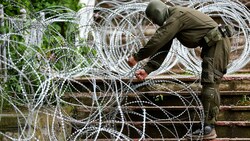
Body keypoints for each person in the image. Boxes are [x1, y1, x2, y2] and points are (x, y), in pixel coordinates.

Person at [127, 0, 232, 140]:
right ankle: (207, 126)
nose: (153, 22)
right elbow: (163, 46)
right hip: (213, 45)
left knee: (210, 83)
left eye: (152, 18)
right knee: (209, 82)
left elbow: (159, 39)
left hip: (217, 43)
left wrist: (137, 57)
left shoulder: (176, 15)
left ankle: (209, 128)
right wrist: (148, 69)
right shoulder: (173, 18)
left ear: (157, 13)